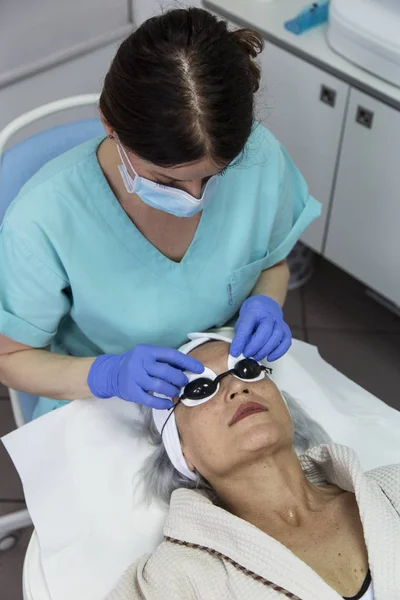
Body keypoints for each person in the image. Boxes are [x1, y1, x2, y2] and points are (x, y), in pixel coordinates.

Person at [0, 8, 320, 419]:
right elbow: (10, 356)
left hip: (224, 367)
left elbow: (271, 263)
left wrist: (267, 302)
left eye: (215, 177)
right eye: (168, 182)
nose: (195, 198)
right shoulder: (44, 219)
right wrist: (108, 375)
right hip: (103, 401)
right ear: (108, 125)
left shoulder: (260, 158)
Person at [107, 334, 400, 600]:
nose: (237, 385)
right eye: (199, 388)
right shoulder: (176, 577)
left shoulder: (392, 488)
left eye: (247, 369)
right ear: (182, 453)